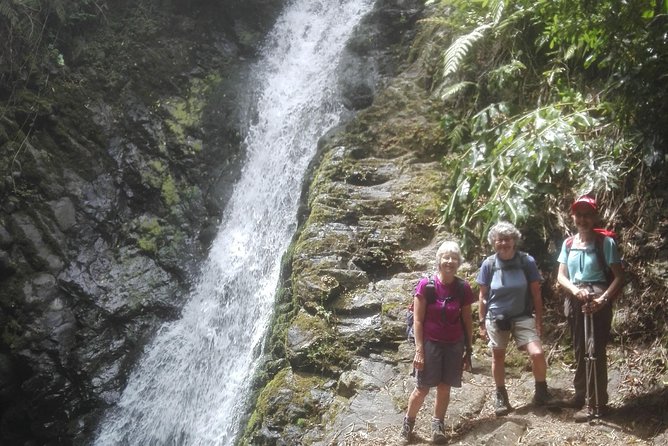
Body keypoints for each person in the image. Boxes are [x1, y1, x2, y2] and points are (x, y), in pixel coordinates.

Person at [476, 221, 555, 417]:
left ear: (514, 240)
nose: (503, 243)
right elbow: (483, 295)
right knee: (498, 356)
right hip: (496, 317)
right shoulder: (489, 264)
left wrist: (539, 320)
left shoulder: (526, 261)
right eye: (499, 240)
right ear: (493, 242)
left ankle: (541, 391)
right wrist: (481, 321)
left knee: (537, 353)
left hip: (522, 316)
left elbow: (536, 293)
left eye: (507, 239)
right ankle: (501, 396)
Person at [557, 195, 624, 421]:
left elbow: (618, 278)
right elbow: (561, 277)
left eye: (587, 215)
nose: (583, 219)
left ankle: (597, 403)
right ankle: (581, 395)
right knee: (579, 349)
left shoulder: (605, 243)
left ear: (594, 216)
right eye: (579, 215)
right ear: (572, 216)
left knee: (595, 351)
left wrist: (602, 300)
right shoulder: (568, 243)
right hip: (576, 299)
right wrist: (575, 291)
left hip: (598, 300)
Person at [401, 241, 474, 444]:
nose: (449, 261)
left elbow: (468, 319)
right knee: (422, 388)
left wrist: (469, 349)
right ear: (439, 260)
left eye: (454, 258)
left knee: (444, 387)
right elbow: (417, 319)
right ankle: (408, 422)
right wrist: (419, 350)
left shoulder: (463, 288)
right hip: (430, 343)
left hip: (454, 344)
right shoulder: (427, 286)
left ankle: (437, 425)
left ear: (458, 262)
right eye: (446, 257)